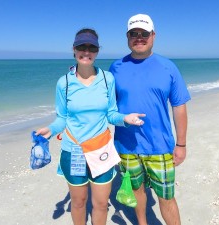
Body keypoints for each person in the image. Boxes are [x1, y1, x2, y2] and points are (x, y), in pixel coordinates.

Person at [35, 28, 145, 225]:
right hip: (74, 150)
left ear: (97, 51)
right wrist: (50, 130)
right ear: (74, 49)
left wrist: (125, 118)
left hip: (101, 149)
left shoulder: (106, 79)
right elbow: (62, 118)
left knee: (102, 203)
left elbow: (111, 113)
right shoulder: (64, 83)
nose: (86, 52)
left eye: (91, 47)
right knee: (78, 202)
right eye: (81, 47)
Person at [109, 14, 191, 225]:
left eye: (144, 33)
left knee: (166, 196)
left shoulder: (168, 67)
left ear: (153, 36)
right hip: (126, 146)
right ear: (127, 37)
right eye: (134, 33)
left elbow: (179, 106)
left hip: (160, 145)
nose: (139, 37)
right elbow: (106, 108)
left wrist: (181, 144)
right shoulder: (115, 68)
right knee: (137, 190)